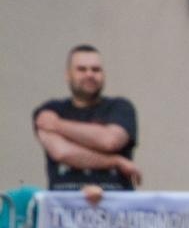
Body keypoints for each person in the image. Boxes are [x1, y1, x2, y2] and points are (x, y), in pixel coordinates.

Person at [33, 45, 141, 191]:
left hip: (116, 206)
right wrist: (115, 161)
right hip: (65, 207)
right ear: (68, 75)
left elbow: (110, 141)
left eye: (96, 70)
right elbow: (61, 152)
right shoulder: (50, 109)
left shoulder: (121, 107)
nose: (89, 74)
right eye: (81, 69)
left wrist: (58, 125)